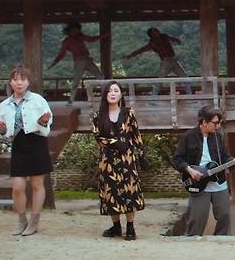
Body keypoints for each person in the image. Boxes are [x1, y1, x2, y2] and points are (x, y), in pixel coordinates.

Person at [0, 65, 53, 236]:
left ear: (28, 82)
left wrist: (43, 121)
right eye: (16, 79)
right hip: (18, 145)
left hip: (37, 143)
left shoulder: (38, 100)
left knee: (36, 184)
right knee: (18, 186)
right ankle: (21, 220)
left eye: (23, 79)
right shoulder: (5, 105)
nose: (19, 83)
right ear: (10, 83)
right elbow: (4, 133)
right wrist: (2, 128)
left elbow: (47, 122)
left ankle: (34, 221)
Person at [173, 106, 235, 235]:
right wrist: (190, 171)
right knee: (197, 219)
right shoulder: (189, 136)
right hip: (198, 183)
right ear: (204, 122)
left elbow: (225, 158)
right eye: (215, 123)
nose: (218, 126)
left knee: (224, 215)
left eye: (219, 123)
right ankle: (192, 244)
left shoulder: (218, 137)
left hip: (218, 182)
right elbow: (178, 159)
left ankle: (221, 242)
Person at [92, 80, 145, 241]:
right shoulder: (98, 115)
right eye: (109, 91)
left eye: (116, 90)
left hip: (127, 158)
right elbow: (98, 137)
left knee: (130, 191)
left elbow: (136, 134)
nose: (113, 93)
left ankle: (130, 227)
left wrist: (142, 153)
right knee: (111, 192)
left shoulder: (128, 113)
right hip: (107, 160)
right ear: (105, 95)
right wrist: (116, 143)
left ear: (121, 94)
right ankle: (116, 226)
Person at [122, 27, 192, 95]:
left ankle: (190, 95)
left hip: (173, 60)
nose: (157, 32)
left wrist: (177, 40)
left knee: (185, 78)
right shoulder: (153, 43)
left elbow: (172, 39)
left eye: (157, 31)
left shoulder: (164, 37)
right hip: (166, 62)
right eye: (155, 32)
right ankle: (153, 96)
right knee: (160, 80)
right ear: (151, 35)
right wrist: (130, 55)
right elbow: (141, 50)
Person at [48, 23, 107, 104]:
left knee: (101, 76)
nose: (76, 31)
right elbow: (61, 55)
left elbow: (91, 39)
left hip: (88, 60)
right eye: (74, 30)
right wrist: (53, 64)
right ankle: (71, 99)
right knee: (76, 80)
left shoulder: (80, 36)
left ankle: (106, 94)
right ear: (69, 31)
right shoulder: (66, 42)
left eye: (77, 30)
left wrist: (102, 36)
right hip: (79, 61)